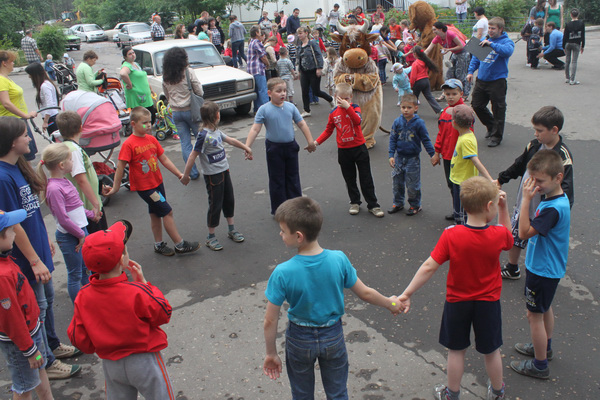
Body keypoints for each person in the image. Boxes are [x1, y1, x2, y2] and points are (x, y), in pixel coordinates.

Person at [262, 197, 401, 398]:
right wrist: (392, 303)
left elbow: (269, 320)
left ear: (299, 236)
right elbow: (365, 293)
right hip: (332, 336)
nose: (280, 234)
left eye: (283, 231)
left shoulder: (283, 272)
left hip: (300, 339)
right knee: (337, 392)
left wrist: (271, 353)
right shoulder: (338, 259)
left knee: (302, 394)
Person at [398, 176, 512, 400]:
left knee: (456, 351)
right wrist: (504, 208)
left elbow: (429, 266)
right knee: (491, 351)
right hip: (488, 303)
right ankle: (498, 392)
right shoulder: (497, 234)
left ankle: (452, 393)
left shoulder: (451, 235)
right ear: (490, 206)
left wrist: (407, 293)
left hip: (457, 302)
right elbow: (509, 237)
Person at [0, 117, 82, 380]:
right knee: (38, 308)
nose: (29, 138)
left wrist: (44, 240)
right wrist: (34, 259)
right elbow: (13, 225)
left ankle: (53, 346)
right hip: (26, 259)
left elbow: (32, 213)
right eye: (25, 135)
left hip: (37, 249)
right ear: (12, 142)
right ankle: (46, 361)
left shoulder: (16, 167)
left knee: (45, 304)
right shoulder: (2, 176)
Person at [68, 220, 175, 398]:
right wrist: (144, 284)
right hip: (144, 360)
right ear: (122, 259)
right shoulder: (136, 291)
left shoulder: (83, 296)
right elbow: (163, 313)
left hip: (111, 364)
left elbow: (79, 338)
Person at [509, 150, 570, 380]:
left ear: (558, 177)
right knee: (544, 308)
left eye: (540, 181)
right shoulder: (556, 199)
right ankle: (545, 347)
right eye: (532, 180)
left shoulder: (552, 209)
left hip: (542, 270)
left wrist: (525, 200)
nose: (536, 186)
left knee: (533, 315)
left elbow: (523, 233)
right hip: (549, 268)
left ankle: (540, 364)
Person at [107, 107, 200, 256]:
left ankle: (159, 244)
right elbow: (120, 166)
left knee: (155, 214)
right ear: (133, 124)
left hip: (157, 183)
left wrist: (179, 174)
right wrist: (115, 188)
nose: (149, 125)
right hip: (146, 188)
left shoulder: (151, 139)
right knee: (167, 211)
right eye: (144, 123)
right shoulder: (129, 144)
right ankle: (180, 244)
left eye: (149, 122)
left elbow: (163, 158)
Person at [494, 106, 573, 280]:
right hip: (525, 201)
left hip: (542, 207)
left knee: (537, 241)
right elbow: (519, 164)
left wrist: (559, 212)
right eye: (535, 130)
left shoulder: (563, 156)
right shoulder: (534, 145)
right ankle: (513, 267)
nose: (536, 134)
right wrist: (501, 179)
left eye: (539, 130)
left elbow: (567, 187)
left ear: (554, 130)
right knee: (516, 236)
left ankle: (540, 272)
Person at [181, 101, 251, 251]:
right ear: (216, 115)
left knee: (229, 199)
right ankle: (210, 237)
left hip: (224, 171)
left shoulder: (216, 132)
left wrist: (246, 147)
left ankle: (231, 229)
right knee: (215, 204)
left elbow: (231, 140)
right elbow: (193, 155)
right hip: (213, 176)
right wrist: (186, 175)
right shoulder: (204, 135)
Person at [0, 208, 54, 400]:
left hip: (31, 337)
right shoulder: (3, 275)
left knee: (40, 369)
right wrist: (30, 351)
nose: (15, 232)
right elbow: (11, 319)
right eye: (10, 230)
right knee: (24, 386)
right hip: (21, 345)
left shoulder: (6, 260)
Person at [245, 78, 317, 215]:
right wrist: (247, 146)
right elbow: (255, 129)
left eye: (284, 90)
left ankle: (296, 207)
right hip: (274, 149)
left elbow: (301, 124)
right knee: (276, 179)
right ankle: (279, 209)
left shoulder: (290, 107)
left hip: (290, 147)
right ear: (269, 93)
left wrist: (310, 141)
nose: (283, 93)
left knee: (293, 177)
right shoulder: (264, 109)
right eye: (279, 91)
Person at [314, 83, 384, 217]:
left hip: (359, 148)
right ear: (335, 97)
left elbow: (357, 121)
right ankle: (354, 202)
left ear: (351, 98)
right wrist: (316, 142)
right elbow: (328, 130)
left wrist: (348, 107)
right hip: (344, 151)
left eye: (346, 98)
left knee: (366, 178)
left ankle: (373, 204)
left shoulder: (355, 108)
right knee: (349, 178)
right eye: (341, 98)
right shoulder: (333, 113)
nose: (344, 101)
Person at [36, 144, 94, 303]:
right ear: (61, 165)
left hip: (79, 233)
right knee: (75, 274)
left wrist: (90, 214)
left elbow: (75, 206)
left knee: (84, 270)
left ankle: (90, 300)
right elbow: (63, 218)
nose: (72, 161)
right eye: (70, 159)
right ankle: (80, 305)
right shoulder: (54, 188)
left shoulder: (64, 182)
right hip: (70, 237)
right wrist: (81, 234)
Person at [55, 111, 109, 234]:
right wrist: (95, 204)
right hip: (89, 207)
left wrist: (99, 188)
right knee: (100, 243)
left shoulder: (70, 147)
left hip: (87, 205)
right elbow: (81, 180)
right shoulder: (73, 150)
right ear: (81, 127)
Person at [467, 17, 514, 148]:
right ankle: (492, 125)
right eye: (490, 28)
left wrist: (491, 44)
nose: (491, 31)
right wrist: (470, 72)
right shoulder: (484, 40)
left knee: (498, 109)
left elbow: (507, 52)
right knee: (476, 105)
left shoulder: (506, 42)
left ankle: (496, 136)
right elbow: (476, 58)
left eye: (493, 28)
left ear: (501, 29)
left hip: (497, 81)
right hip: (482, 80)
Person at [388, 93, 435, 216]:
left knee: (412, 184)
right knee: (397, 183)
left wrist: (432, 154)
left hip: (412, 159)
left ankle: (415, 205)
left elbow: (425, 139)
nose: (406, 110)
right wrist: (391, 155)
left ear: (415, 108)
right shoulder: (397, 122)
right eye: (403, 107)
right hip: (399, 158)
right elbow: (393, 139)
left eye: (409, 107)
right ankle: (398, 203)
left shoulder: (418, 123)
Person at [161, 46, 203, 181]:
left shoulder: (166, 76)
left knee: (185, 144)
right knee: (201, 140)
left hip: (176, 113)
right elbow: (199, 91)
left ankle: (193, 173)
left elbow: (167, 94)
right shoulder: (188, 72)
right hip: (192, 111)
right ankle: (208, 168)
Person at [449, 104, 493, 225]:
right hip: (459, 178)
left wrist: (489, 179)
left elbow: (475, 160)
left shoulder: (466, 140)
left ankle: (463, 232)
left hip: (462, 181)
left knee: (462, 211)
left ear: (454, 123)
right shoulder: (466, 135)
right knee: (460, 209)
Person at [432, 79, 467, 221]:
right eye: (447, 94)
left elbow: (468, 135)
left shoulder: (465, 112)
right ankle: (456, 209)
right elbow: (441, 134)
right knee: (451, 184)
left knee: (461, 186)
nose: (450, 96)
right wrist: (436, 153)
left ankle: (464, 212)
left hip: (460, 157)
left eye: (454, 93)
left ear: (461, 94)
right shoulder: (445, 112)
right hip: (447, 156)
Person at [0, 51, 38, 161]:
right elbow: (6, 103)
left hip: (17, 119)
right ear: (4, 63)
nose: (13, 64)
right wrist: (25, 115)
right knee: (22, 157)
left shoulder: (6, 78)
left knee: (25, 156)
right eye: (11, 61)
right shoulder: (1, 80)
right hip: (13, 121)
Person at [296, 26, 334, 118]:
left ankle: (331, 99)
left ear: (306, 33)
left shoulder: (312, 43)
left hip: (313, 70)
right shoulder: (299, 45)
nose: (299, 35)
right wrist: (299, 70)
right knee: (304, 90)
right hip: (304, 71)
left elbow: (318, 55)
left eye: (301, 33)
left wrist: (319, 68)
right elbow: (299, 58)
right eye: (298, 34)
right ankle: (306, 110)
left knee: (316, 91)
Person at [426, 22, 469, 99]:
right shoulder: (437, 38)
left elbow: (461, 46)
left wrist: (448, 49)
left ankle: (464, 95)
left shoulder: (450, 34)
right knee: (449, 74)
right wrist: (421, 56)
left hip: (463, 53)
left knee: (461, 75)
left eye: (435, 30)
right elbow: (429, 49)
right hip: (454, 54)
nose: (433, 32)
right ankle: (445, 93)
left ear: (440, 29)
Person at [119, 46, 156, 124]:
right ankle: (142, 133)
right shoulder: (127, 65)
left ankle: (146, 134)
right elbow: (122, 73)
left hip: (145, 95)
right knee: (143, 118)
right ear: (125, 57)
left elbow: (144, 78)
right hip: (137, 96)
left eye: (133, 53)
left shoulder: (135, 64)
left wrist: (151, 89)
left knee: (151, 116)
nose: (133, 55)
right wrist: (130, 84)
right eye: (130, 54)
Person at [25, 62, 59, 135]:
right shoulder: (46, 84)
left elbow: (49, 104)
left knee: (54, 140)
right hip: (52, 116)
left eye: (30, 74)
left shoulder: (44, 86)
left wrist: (45, 121)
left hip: (51, 117)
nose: (29, 77)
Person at [409, 46, 442, 114]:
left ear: (415, 54)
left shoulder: (415, 63)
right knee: (429, 96)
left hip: (418, 82)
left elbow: (413, 76)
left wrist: (411, 85)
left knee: (415, 98)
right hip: (426, 81)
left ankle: (414, 113)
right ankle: (439, 110)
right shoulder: (425, 62)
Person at [248, 26, 270, 114]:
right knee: (263, 90)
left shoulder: (251, 42)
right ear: (257, 33)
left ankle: (257, 110)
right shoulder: (257, 42)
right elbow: (263, 57)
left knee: (256, 91)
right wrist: (268, 64)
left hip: (251, 70)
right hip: (258, 69)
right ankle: (267, 110)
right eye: (259, 31)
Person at [563, 8, 585, 85]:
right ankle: (572, 79)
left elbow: (565, 36)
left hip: (568, 43)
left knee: (567, 61)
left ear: (571, 15)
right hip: (577, 43)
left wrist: (563, 46)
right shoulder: (581, 23)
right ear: (578, 14)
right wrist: (583, 45)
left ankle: (567, 78)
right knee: (574, 61)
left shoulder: (568, 24)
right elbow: (583, 35)